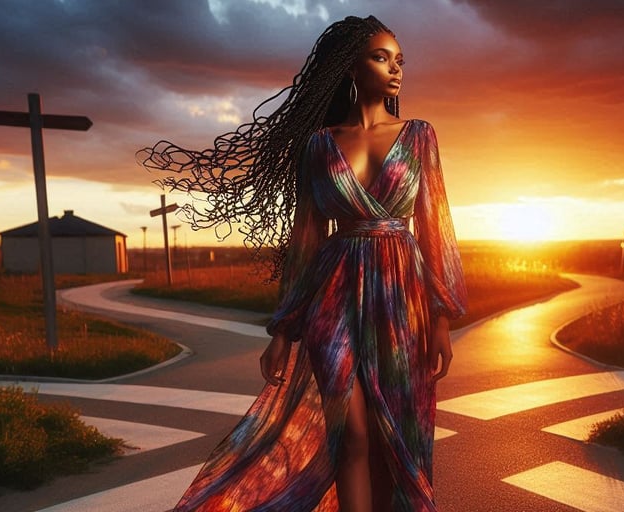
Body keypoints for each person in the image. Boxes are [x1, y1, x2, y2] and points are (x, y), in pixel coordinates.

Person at [139, 15, 466, 512]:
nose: (396, 69)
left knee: (392, 435)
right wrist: (283, 330)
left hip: (402, 298)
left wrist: (441, 317)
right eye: (382, 57)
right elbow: (307, 237)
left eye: (400, 60)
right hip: (331, 296)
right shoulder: (319, 145)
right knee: (350, 434)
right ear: (351, 68)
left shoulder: (420, 136)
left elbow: (436, 225)